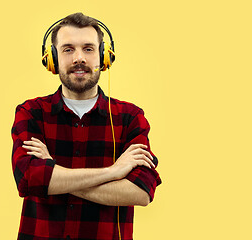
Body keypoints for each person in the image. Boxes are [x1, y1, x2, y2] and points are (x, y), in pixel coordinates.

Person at [11, 12, 161, 240]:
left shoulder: (130, 117)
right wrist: (112, 172)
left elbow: (141, 192)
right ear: (52, 58)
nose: (78, 58)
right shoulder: (31, 112)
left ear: (103, 57)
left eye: (88, 49)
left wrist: (53, 173)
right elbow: (28, 180)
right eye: (68, 49)